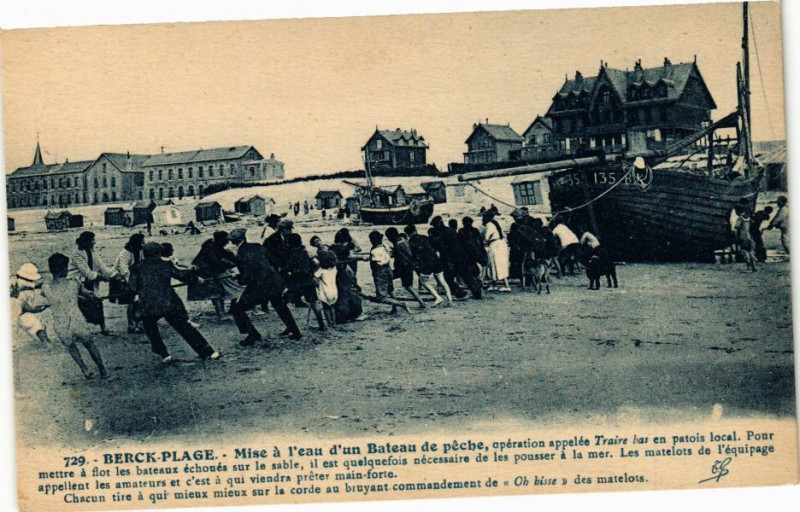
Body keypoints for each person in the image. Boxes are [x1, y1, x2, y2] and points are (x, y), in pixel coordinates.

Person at [130, 243, 220, 363]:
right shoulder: (165, 264)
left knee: (150, 328)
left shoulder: (136, 267)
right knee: (184, 327)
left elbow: (132, 286)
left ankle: (164, 355)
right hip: (168, 302)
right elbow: (180, 275)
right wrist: (195, 279)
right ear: (158, 253)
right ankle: (209, 352)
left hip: (148, 304)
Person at [228, 228, 302, 345]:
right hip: (274, 281)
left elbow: (248, 278)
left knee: (237, 309)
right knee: (279, 304)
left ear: (234, 242)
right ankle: (295, 331)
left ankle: (253, 334)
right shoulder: (257, 246)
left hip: (260, 286)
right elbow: (273, 260)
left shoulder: (240, 254)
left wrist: (237, 276)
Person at [43, 253, 109, 379]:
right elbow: (88, 295)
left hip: (60, 323)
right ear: (65, 269)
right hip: (76, 320)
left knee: (71, 346)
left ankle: (84, 369)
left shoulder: (45, 288)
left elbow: (58, 298)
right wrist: (93, 297)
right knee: (89, 344)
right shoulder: (74, 283)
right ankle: (103, 370)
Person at [187, 231, 242, 322]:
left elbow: (226, 256)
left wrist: (233, 259)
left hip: (212, 271)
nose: (228, 243)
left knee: (220, 292)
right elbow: (215, 262)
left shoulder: (215, 245)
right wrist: (230, 264)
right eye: (226, 241)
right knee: (215, 294)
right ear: (221, 240)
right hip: (205, 273)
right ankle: (221, 315)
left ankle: (226, 312)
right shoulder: (210, 248)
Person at [69, 231, 115, 335]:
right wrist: (102, 277)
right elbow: (87, 273)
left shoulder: (92, 252)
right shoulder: (76, 254)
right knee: (80, 307)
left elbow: (102, 267)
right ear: (87, 241)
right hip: (78, 283)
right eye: (92, 240)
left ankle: (103, 328)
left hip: (91, 283)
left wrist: (113, 275)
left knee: (97, 302)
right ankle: (79, 330)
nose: (94, 242)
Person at [429, 216, 482, 299]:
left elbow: (437, 247)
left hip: (449, 259)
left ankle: (460, 293)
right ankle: (477, 292)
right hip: (462, 256)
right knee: (466, 275)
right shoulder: (451, 231)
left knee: (447, 278)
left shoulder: (438, 234)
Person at [283, 233, 328, 331]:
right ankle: (322, 325)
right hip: (308, 280)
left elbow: (288, 268)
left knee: (284, 302)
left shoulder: (292, 254)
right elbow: (317, 264)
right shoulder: (307, 252)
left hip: (296, 281)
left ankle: (290, 327)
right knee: (313, 303)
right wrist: (312, 273)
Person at [404, 224, 452, 307]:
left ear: (408, 234)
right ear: (415, 230)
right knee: (442, 281)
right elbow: (436, 247)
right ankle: (450, 300)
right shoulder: (425, 237)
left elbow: (412, 255)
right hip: (436, 260)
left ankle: (438, 297)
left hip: (426, 263)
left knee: (423, 281)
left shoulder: (410, 242)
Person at [368, 231, 411, 314]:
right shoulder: (385, 246)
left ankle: (402, 304)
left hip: (380, 273)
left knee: (381, 297)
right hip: (388, 270)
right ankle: (394, 308)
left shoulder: (375, 251)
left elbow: (379, 262)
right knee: (390, 290)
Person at [110, 233, 145, 333]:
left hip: (136, 277)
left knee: (139, 301)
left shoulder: (140, 251)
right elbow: (124, 270)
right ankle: (131, 324)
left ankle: (139, 323)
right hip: (123, 279)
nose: (143, 243)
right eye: (142, 242)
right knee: (131, 301)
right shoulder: (125, 253)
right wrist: (132, 284)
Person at [385, 228, 426, 309]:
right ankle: (421, 303)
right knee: (409, 286)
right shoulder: (401, 241)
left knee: (388, 280)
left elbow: (404, 254)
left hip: (403, 267)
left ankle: (395, 305)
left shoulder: (399, 243)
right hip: (406, 267)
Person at [13, 263, 51, 344]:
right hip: (17, 310)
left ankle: (45, 342)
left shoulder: (15, 280)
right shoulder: (21, 282)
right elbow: (37, 284)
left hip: (19, 310)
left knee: (35, 325)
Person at [482, 212, 511, 291]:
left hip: (495, 245)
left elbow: (486, 238)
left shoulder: (489, 225)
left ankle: (504, 286)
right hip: (502, 244)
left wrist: (484, 241)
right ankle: (500, 284)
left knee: (494, 264)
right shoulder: (495, 223)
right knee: (500, 264)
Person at [459, 216, 488, 282]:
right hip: (476, 250)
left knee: (470, 266)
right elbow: (480, 241)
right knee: (481, 264)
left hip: (467, 252)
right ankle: (480, 279)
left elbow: (460, 243)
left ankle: (476, 279)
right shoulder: (475, 230)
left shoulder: (461, 231)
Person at [314, 250, 339, 327]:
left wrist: (316, 266)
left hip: (325, 291)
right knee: (332, 307)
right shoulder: (334, 268)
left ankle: (329, 323)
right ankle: (334, 323)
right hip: (333, 290)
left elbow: (315, 275)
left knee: (326, 308)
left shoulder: (322, 270)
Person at [735, 208, 757, 272]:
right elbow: (753, 227)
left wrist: (737, 237)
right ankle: (754, 267)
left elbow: (737, 228)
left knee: (745, 251)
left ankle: (749, 267)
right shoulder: (750, 219)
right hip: (749, 236)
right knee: (751, 251)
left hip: (743, 236)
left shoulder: (740, 219)